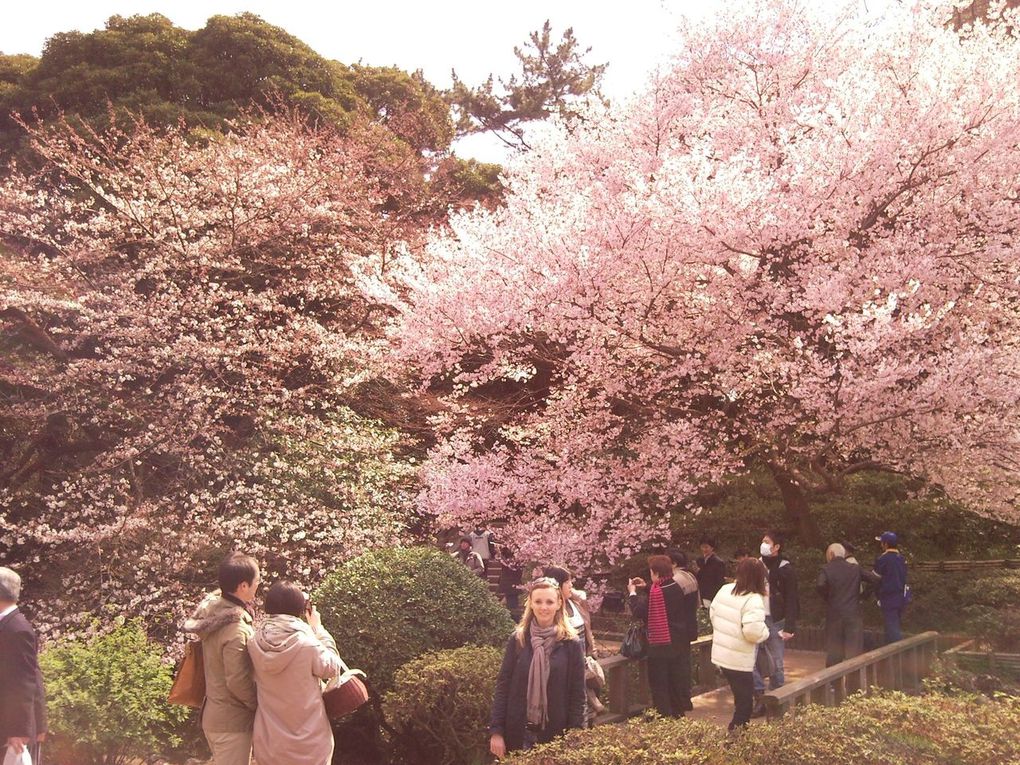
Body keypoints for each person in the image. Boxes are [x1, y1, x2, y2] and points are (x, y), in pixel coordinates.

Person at [247, 581, 343, 765]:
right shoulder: (307, 643)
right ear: (298, 608)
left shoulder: (253, 643)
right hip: (310, 741)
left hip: (270, 742)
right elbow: (332, 667)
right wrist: (318, 629)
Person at [489, 577, 585, 757]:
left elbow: (578, 694)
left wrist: (575, 735)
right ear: (530, 604)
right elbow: (503, 686)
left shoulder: (571, 644)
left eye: (549, 602)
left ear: (558, 604)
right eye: (538, 601)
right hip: (518, 730)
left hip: (555, 732)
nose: (544, 607)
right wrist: (496, 731)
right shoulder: (519, 640)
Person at [184, 552, 260, 765]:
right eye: (257, 581)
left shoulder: (214, 613)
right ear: (243, 586)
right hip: (231, 722)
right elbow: (237, 680)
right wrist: (259, 705)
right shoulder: (235, 630)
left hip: (216, 714)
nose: (258, 585)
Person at [628, 554, 698, 717]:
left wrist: (632, 594)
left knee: (659, 683)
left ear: (657, 574)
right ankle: (678, 713)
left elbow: (639, 611)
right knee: (675, 680)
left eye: (652, 572)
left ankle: (664, 716)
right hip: (678, 641)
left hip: (660, 644)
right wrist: (646, 586)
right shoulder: (676, 587)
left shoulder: (656, 593)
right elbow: (663, 597)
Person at [709, 558, 770, 731]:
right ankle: (735, 742)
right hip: (739, 659)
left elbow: (713, 614)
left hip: (722, 654)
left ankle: (737, 739)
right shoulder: (753, 599)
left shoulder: (724, 589)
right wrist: (766, 632)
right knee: (744, 706)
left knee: (740, 699)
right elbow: (753, 632)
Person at [0, 567, 47, 764]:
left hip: (10, 728)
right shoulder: (8, 625)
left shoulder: (17, 629)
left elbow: (25, 681)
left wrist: (19, 730)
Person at [543, 566, 600, 724]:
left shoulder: (574, 603)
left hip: (583, 664)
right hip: (564, 671)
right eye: (568, 583)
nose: (571, 586)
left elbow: (582, 598)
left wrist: (592, 651)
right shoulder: (550, 611)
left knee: (585, 711)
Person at [753, 529, 799, 711]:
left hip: (776, 619)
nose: (763, 544)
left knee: (776, 661)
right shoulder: (755, 565)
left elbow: (792, 598)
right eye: (762, 541)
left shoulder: (785, 568)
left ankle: (778, 696)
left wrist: (790, 626)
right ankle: (759, 695)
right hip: (755, 617)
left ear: (777, 547)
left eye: (767, 542)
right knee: (751, 659)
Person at [816, 543, 880, 667]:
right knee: (853, 653)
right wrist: (863, 595)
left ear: (831, 554)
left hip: (834, 615)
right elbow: (875, 580)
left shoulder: (827, 569)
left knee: (834, 652)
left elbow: (820, 585)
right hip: (853, 615)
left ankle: (834, 684)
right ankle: (854, 684)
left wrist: (828, 597)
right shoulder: (854, 568)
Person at [873, 531, 909, 644]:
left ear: (886, 544)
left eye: (882, 542)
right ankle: (889, 655)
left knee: (892, 628)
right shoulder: (902, 559)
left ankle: (898, 654)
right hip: (901, 596)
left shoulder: (882, 559)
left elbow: (875, 579)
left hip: (887, 596)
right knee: (892, 624)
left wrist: (877, 596)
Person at [695, 536, 727, 608]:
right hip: (701, 593)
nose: (704, 549)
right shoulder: (699, 560)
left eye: (706, 547)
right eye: (702, 547)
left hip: (711, 594)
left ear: (712, 548)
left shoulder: (718, 562)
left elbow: (720, 581)